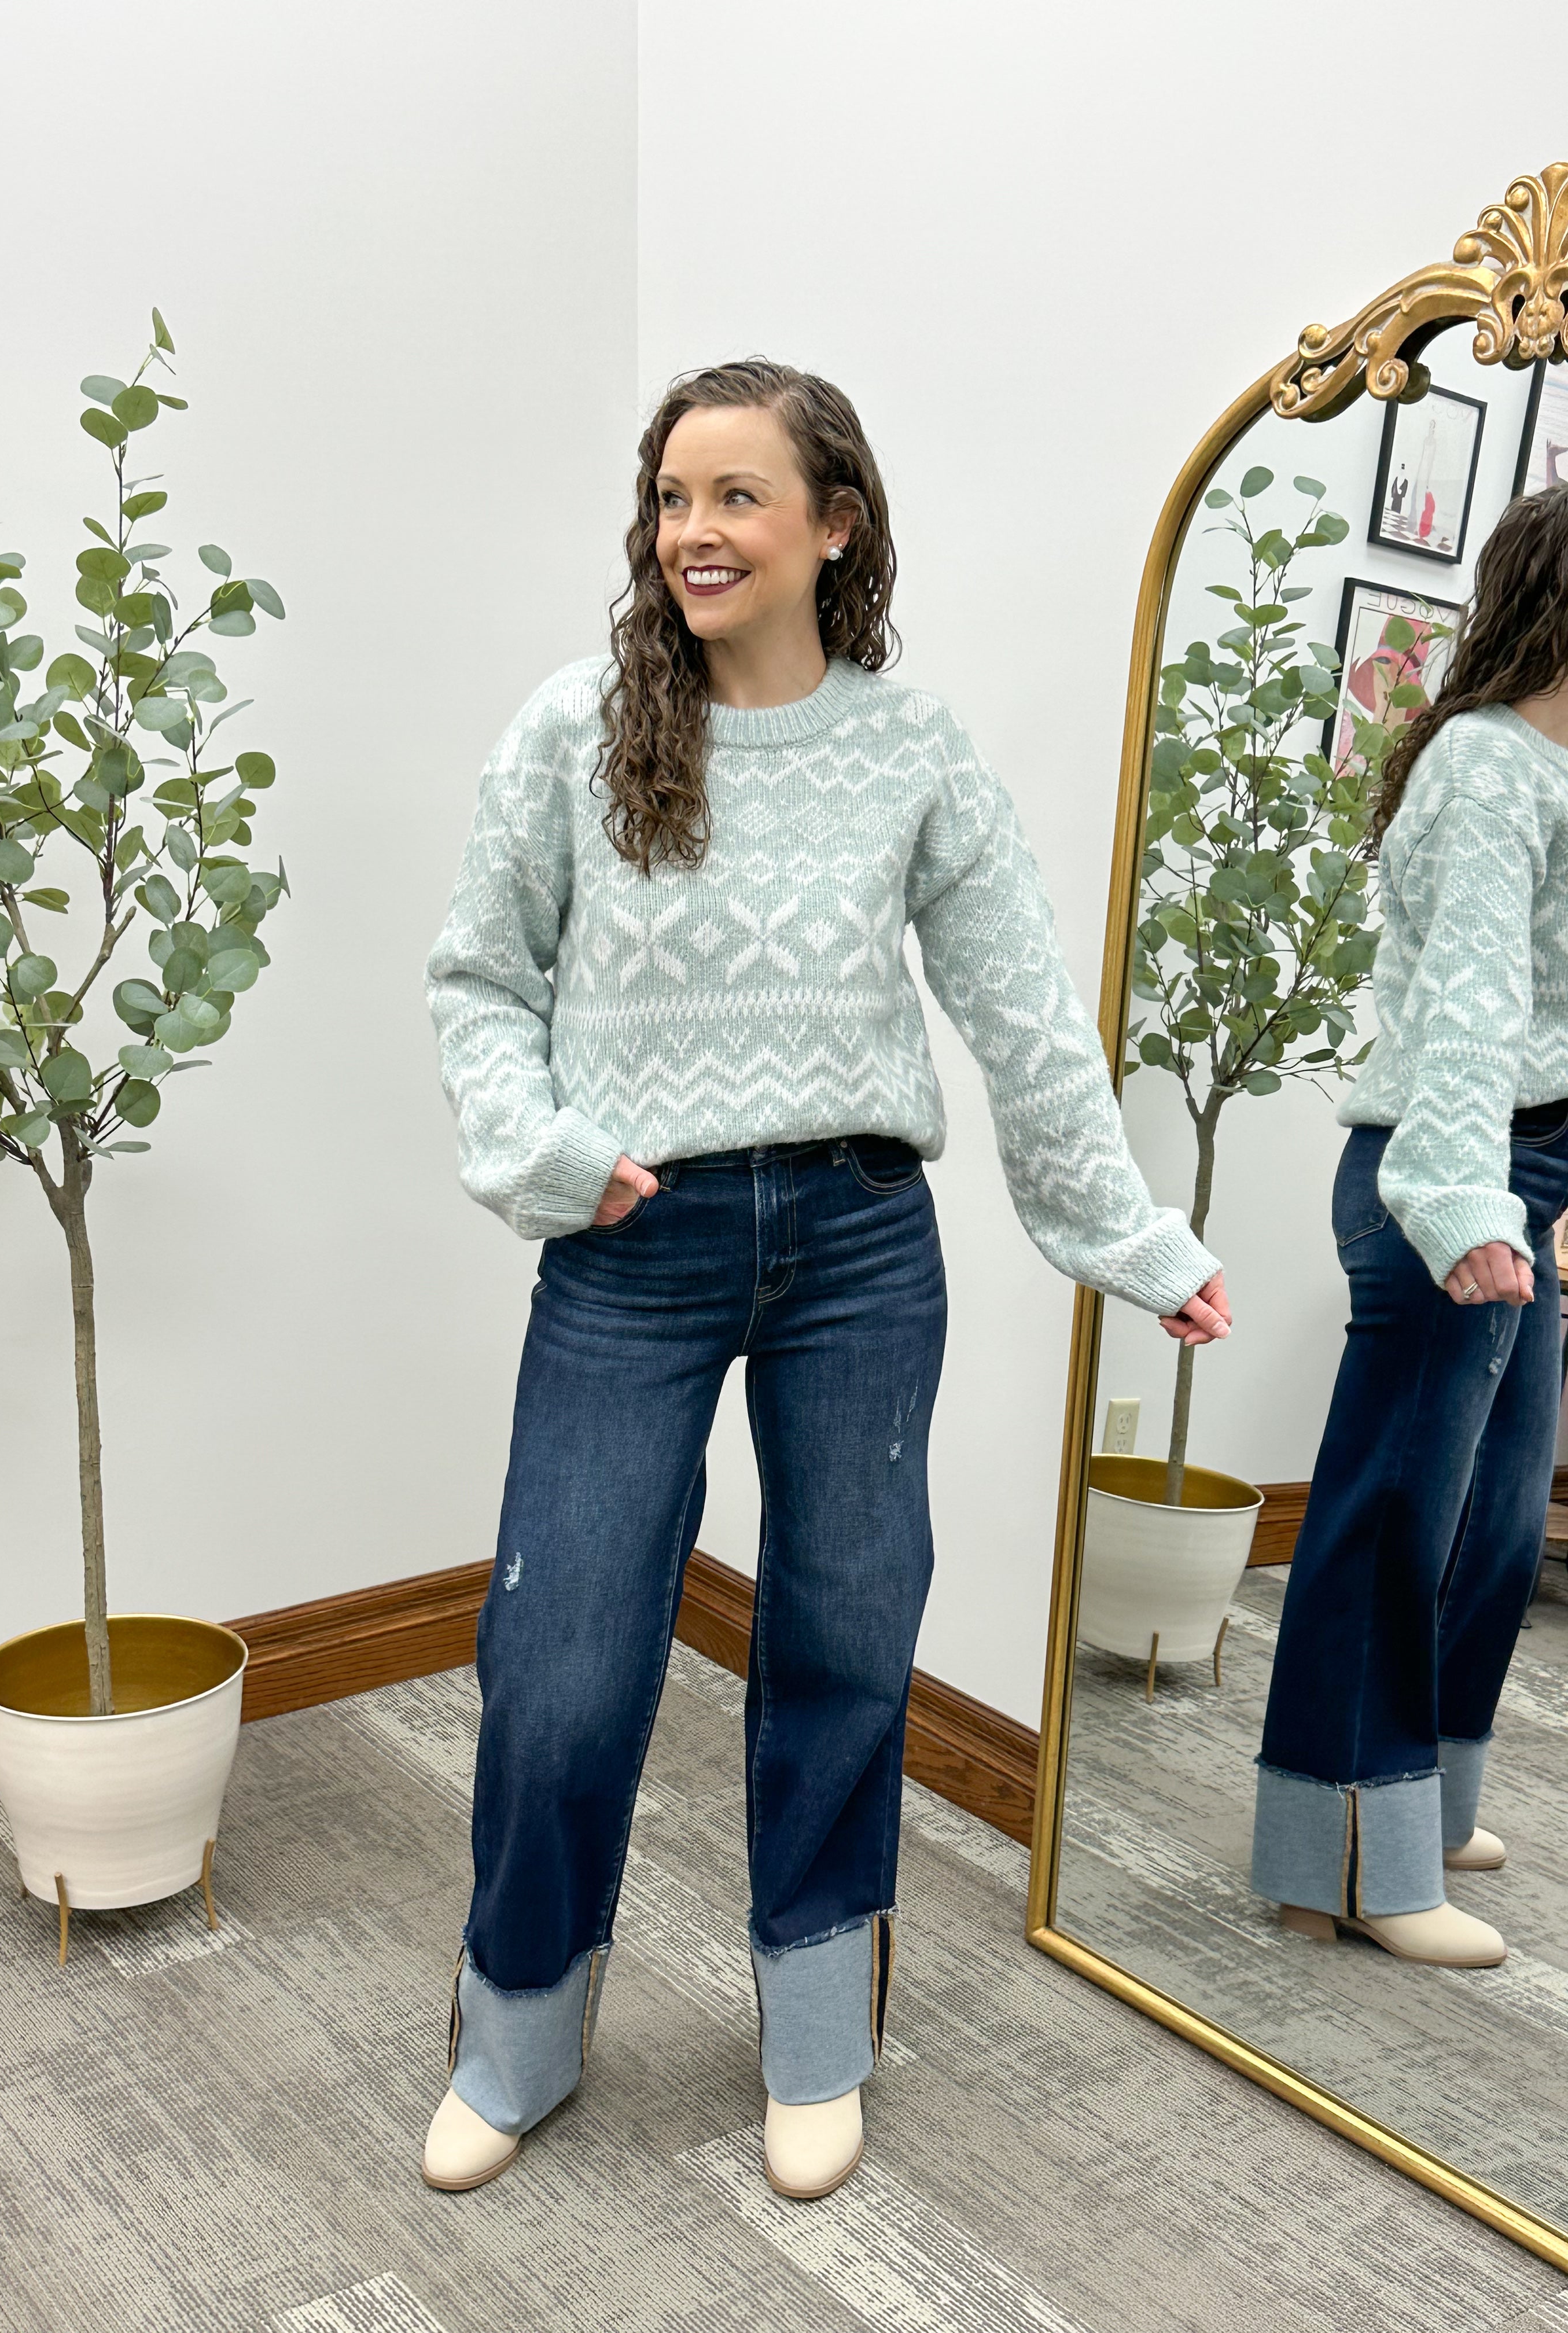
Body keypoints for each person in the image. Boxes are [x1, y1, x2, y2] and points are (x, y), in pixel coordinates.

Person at [422, 359, 1228, 2199]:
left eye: (735, 498)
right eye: (669, 500)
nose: (691, 533)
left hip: (863, 1244)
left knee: (850, 1641)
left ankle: (814, 2034)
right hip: (636, 1244)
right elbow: (478, 981)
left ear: (833, 524)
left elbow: (1023, 1016)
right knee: (559, 1659)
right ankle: (519, 2027)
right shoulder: (572, 731)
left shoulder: (913, 751)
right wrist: (549, 1156)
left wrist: (1133, 1238)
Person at [1252, 482, 1568, 1970]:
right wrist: (1461, 1199)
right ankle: (1348, 1863)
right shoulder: (1491, 768)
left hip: (1526, 1170)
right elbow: (1472, 1007)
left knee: (1497, 1519)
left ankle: (1424, 1803)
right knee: (1392, 1520)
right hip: (1445, 1163)